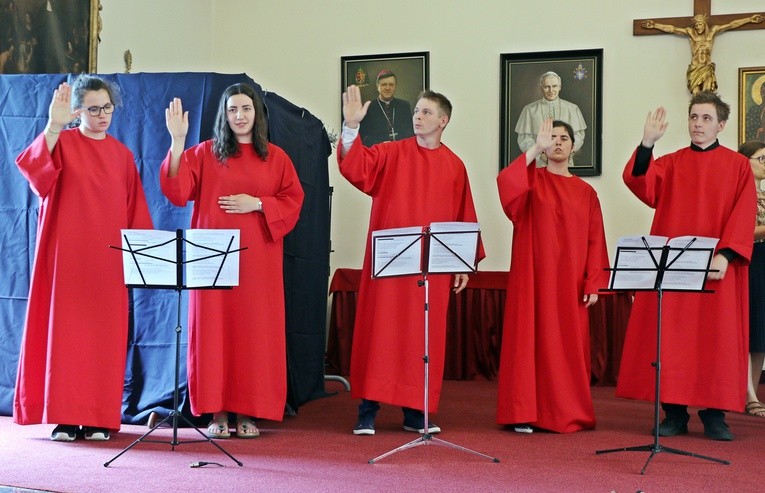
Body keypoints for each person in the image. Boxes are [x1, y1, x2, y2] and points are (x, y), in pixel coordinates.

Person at [13, 75, 153, 442]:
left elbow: (136, 212)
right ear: (78, 111)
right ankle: (65, 417)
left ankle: (98, 418)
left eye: (107, 107)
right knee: (67, 339)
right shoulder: (62, 142)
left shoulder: (123, 156)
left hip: (108, 262)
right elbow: (34, 174)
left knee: (103, 341)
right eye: (94, 108)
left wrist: (142, 259)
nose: (103, 115)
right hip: (66, 258)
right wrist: (53, 126)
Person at [160, 83, 304, 439]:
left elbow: (293, 201)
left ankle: (248, 412)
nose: (239, 116)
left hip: (258, 261)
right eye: (232, 110)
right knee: (214, 333)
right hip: (212, 258)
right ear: (223, 116)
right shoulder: (206, 153)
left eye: (246, 109)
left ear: (258, 114)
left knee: (253, 334)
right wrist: (177, 142)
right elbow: (176, 191)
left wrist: (257, 203)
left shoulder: (276, 157)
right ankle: (217, 411)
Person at [339, 84, 483, 435]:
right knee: (381, 332)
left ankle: (415, 412)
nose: (418, 117)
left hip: (431, 268)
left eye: (427, 112)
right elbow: (354, 167)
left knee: (423, 336)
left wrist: (465, 263)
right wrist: (351, 128)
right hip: (391, 263)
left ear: (443, 120)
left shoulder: (455, 166)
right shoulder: (390, 153)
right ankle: (367, 409)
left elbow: (464, 215)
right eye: (416, 111)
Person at [616, 92, 756, 441]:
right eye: (694, 117)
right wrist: (647, 143)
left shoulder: (738, 166)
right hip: (674, 266)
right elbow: (640, 184)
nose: (698, 124)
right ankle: (674, 414)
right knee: (673, 339)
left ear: (721, 125)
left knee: (715, 340)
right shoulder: (672, 162)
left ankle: (715, 416)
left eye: (707, 118)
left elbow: (744, 213)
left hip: (716, 266)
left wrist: (726, 255)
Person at [495, 119, 610, 434]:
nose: (557, 142)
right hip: (532, 278)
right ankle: (523, 412)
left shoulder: (587, 192)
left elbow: (595, 239)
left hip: (570, 283)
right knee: (528, 340)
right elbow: (505, 183)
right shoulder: (531, 181)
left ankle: (565, 411)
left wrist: (594, 282)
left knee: (567, 347)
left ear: (574, 146)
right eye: (552, 138)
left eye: (564, 138)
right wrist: (535, 148)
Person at [642, 13, 763, 95]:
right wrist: (654, 25)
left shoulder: (712, 32)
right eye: (696, 25)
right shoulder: (691, 34)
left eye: (700, 24)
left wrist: (749, 19)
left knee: (706, 94)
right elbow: (673, 29)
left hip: (707, 67)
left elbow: (731, 24)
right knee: (695, 95)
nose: (698, 27)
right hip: (695, 68)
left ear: (705, 24)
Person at [738, 140, 765, 418]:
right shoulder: (738, 193)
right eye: (761, 158)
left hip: (764, 260)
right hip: (751, 260)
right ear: (745, 161)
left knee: (761, 333)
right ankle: (749, 396)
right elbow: (741, 231)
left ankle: (752, 393)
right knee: (748, 329)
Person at [515, 71, 586, 163]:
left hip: (565, 162)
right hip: (539, 163)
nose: (551, 90)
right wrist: (540, 155)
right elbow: (524, 138)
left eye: (555, 86)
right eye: (547, 87)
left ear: (560, 87)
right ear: (541, 88)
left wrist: (564, 153)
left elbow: (578, 136)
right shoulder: (529, 110)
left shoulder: (572, 108)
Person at [358, 69, 415, 146]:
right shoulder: (368, 107)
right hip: (377, 154)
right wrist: (380, 144)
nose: (387, 88)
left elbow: (410, 134)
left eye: (391, 84)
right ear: (377, 86)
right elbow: (363, 138)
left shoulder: (404, 106)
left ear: (395, 86)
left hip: (401, 153)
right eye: (384, 84)